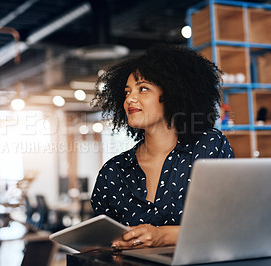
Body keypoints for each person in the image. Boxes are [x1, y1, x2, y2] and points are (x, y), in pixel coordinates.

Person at [90, 43, 234, 249]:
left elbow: (229, 223)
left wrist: (163, 235)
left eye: (143, 89)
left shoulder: (209, 147)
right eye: (127, 91)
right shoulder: (113, 172)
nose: (130, 98)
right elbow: (100, 243)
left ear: (173, 93)